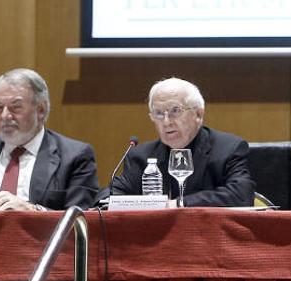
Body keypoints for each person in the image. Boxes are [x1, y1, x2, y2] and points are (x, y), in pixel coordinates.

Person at [0, 68, 98, 210]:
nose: (4, 116)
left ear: (40, 110)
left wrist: (32, 210)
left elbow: (79, 222)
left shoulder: (74, 157)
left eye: (15, 107)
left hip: (41, 234)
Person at [106, 77, 255, 207]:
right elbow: (111, 195)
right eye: (158, 113)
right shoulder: (141, 156)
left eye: (175, 111)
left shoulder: (228, 149)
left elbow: (241, 195)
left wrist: (179, 204)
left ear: (198, 113)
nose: (166, 122)